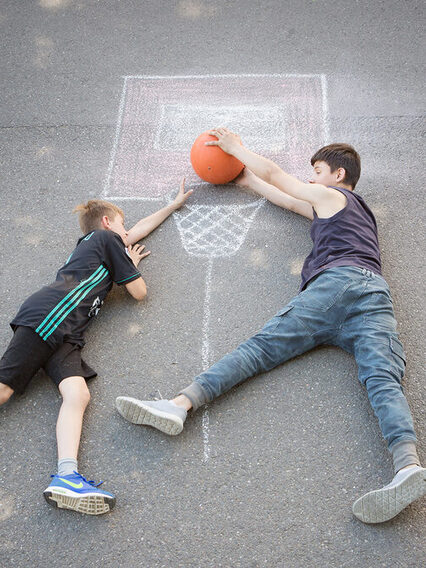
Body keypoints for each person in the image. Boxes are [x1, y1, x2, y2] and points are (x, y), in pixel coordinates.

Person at [115, 128, 425, 524]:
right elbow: (288, 199)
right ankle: (407, 466)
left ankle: (179, 405)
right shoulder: (347, 212)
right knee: (383, 377)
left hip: (336, 288)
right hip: (373, 295)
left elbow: (282, 179)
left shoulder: (334, 196)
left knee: (259, 350)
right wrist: (247, 180)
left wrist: (236, 149)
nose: (311, 179)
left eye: (317, 171)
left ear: (339, 175)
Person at [0, 179, 192, 515]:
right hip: (50, 317)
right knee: (4, 389)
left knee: (78, 395)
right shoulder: (105, 239)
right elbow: (139, 292)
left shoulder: (100, 243)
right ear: (107, 224)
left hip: (67, 333)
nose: (127, 230)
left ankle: (66, 476)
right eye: (121, 222)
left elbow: (137, 233)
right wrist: (130, 266)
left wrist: (173, 206)